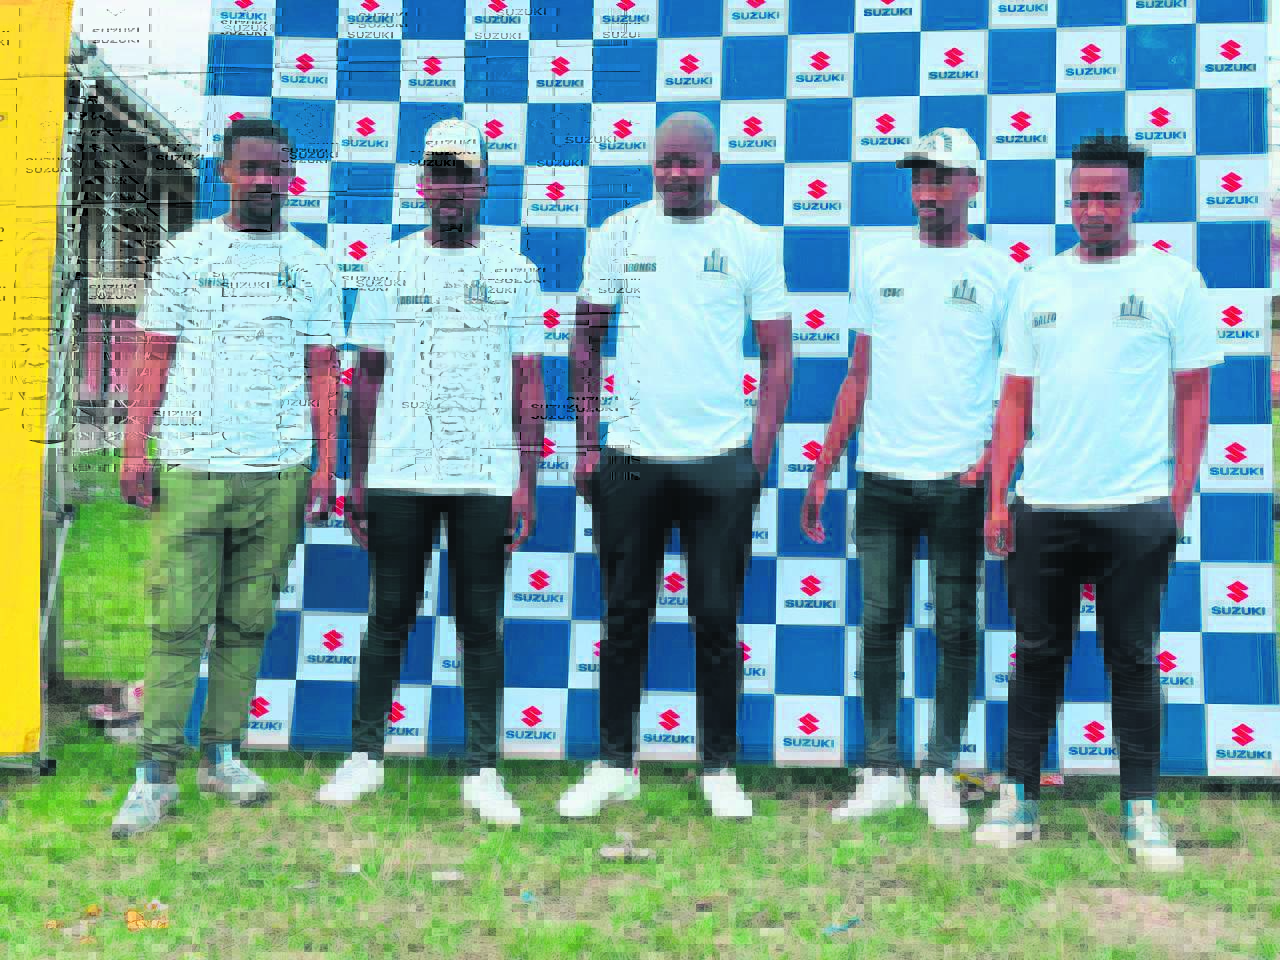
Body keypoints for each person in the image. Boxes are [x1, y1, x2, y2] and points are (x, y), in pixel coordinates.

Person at [975, 135, 1220, 871]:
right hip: (1044, 503)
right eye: (1082, 197)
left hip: (1135, 505)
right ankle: (1018, 795)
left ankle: (1141, 808)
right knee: (1036, 655)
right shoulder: (1037, 283)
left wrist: (1175, 500)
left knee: (1134, 658)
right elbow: (1014, 399)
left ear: (1136, 200)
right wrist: (999, 498)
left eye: (1109, 197)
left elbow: (1193, 398)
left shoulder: (1175, 282)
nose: (1094, 210)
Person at [556, 112, 792, 820]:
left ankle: (717, 766)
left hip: (719, 461)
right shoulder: (619, 233)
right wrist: (589, 443)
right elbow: (584, 342)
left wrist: (756, 455)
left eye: (690, 161)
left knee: (716, 617)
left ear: (715, 164)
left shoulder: (749, 240)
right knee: (624, 615)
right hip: (632, 457)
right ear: (652, 165)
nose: (677, 174)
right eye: (666, 161)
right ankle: (613, 764)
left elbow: (778, 353)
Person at [112, 116, 341, 838]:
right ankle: (155, 772)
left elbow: (323, 370)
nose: (265, 181)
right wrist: (135, 449)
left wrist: (325, 465)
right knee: (179, 621)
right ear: (226, 173)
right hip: (193, 466)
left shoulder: (312, 264)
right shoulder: (187, 254)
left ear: (291, 176)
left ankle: (222, 754)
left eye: (277, 169)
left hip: (278, 468)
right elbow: (153, 354)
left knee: (247, 622)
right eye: (252, 168)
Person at [314, 119, 545, 826]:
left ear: (483, 185)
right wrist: (357, 477)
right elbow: (367, 377)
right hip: (399, 472)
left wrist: (526, 481)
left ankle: (482, 768)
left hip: (484, 474)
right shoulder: (389, 266)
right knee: (388, 615)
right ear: (421, 185)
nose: (449, 188)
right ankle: (364, 755)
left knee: (480, 622)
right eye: (438, 174)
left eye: (462, 175)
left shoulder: (514, 270)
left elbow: (528, 381)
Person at [801, 129, 1017, 829]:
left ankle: (940, 771)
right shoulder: (880, 263)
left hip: (959, 481)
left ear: (972, 186)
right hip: (882, 479)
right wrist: (824, 466)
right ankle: (882, 770)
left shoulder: (1000, 274)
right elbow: (859, 372)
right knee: (879, 626)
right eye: (920, 177)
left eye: (942, 177)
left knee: (955, 628)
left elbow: (1020, 385)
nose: (928, 189)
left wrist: (993, 466)